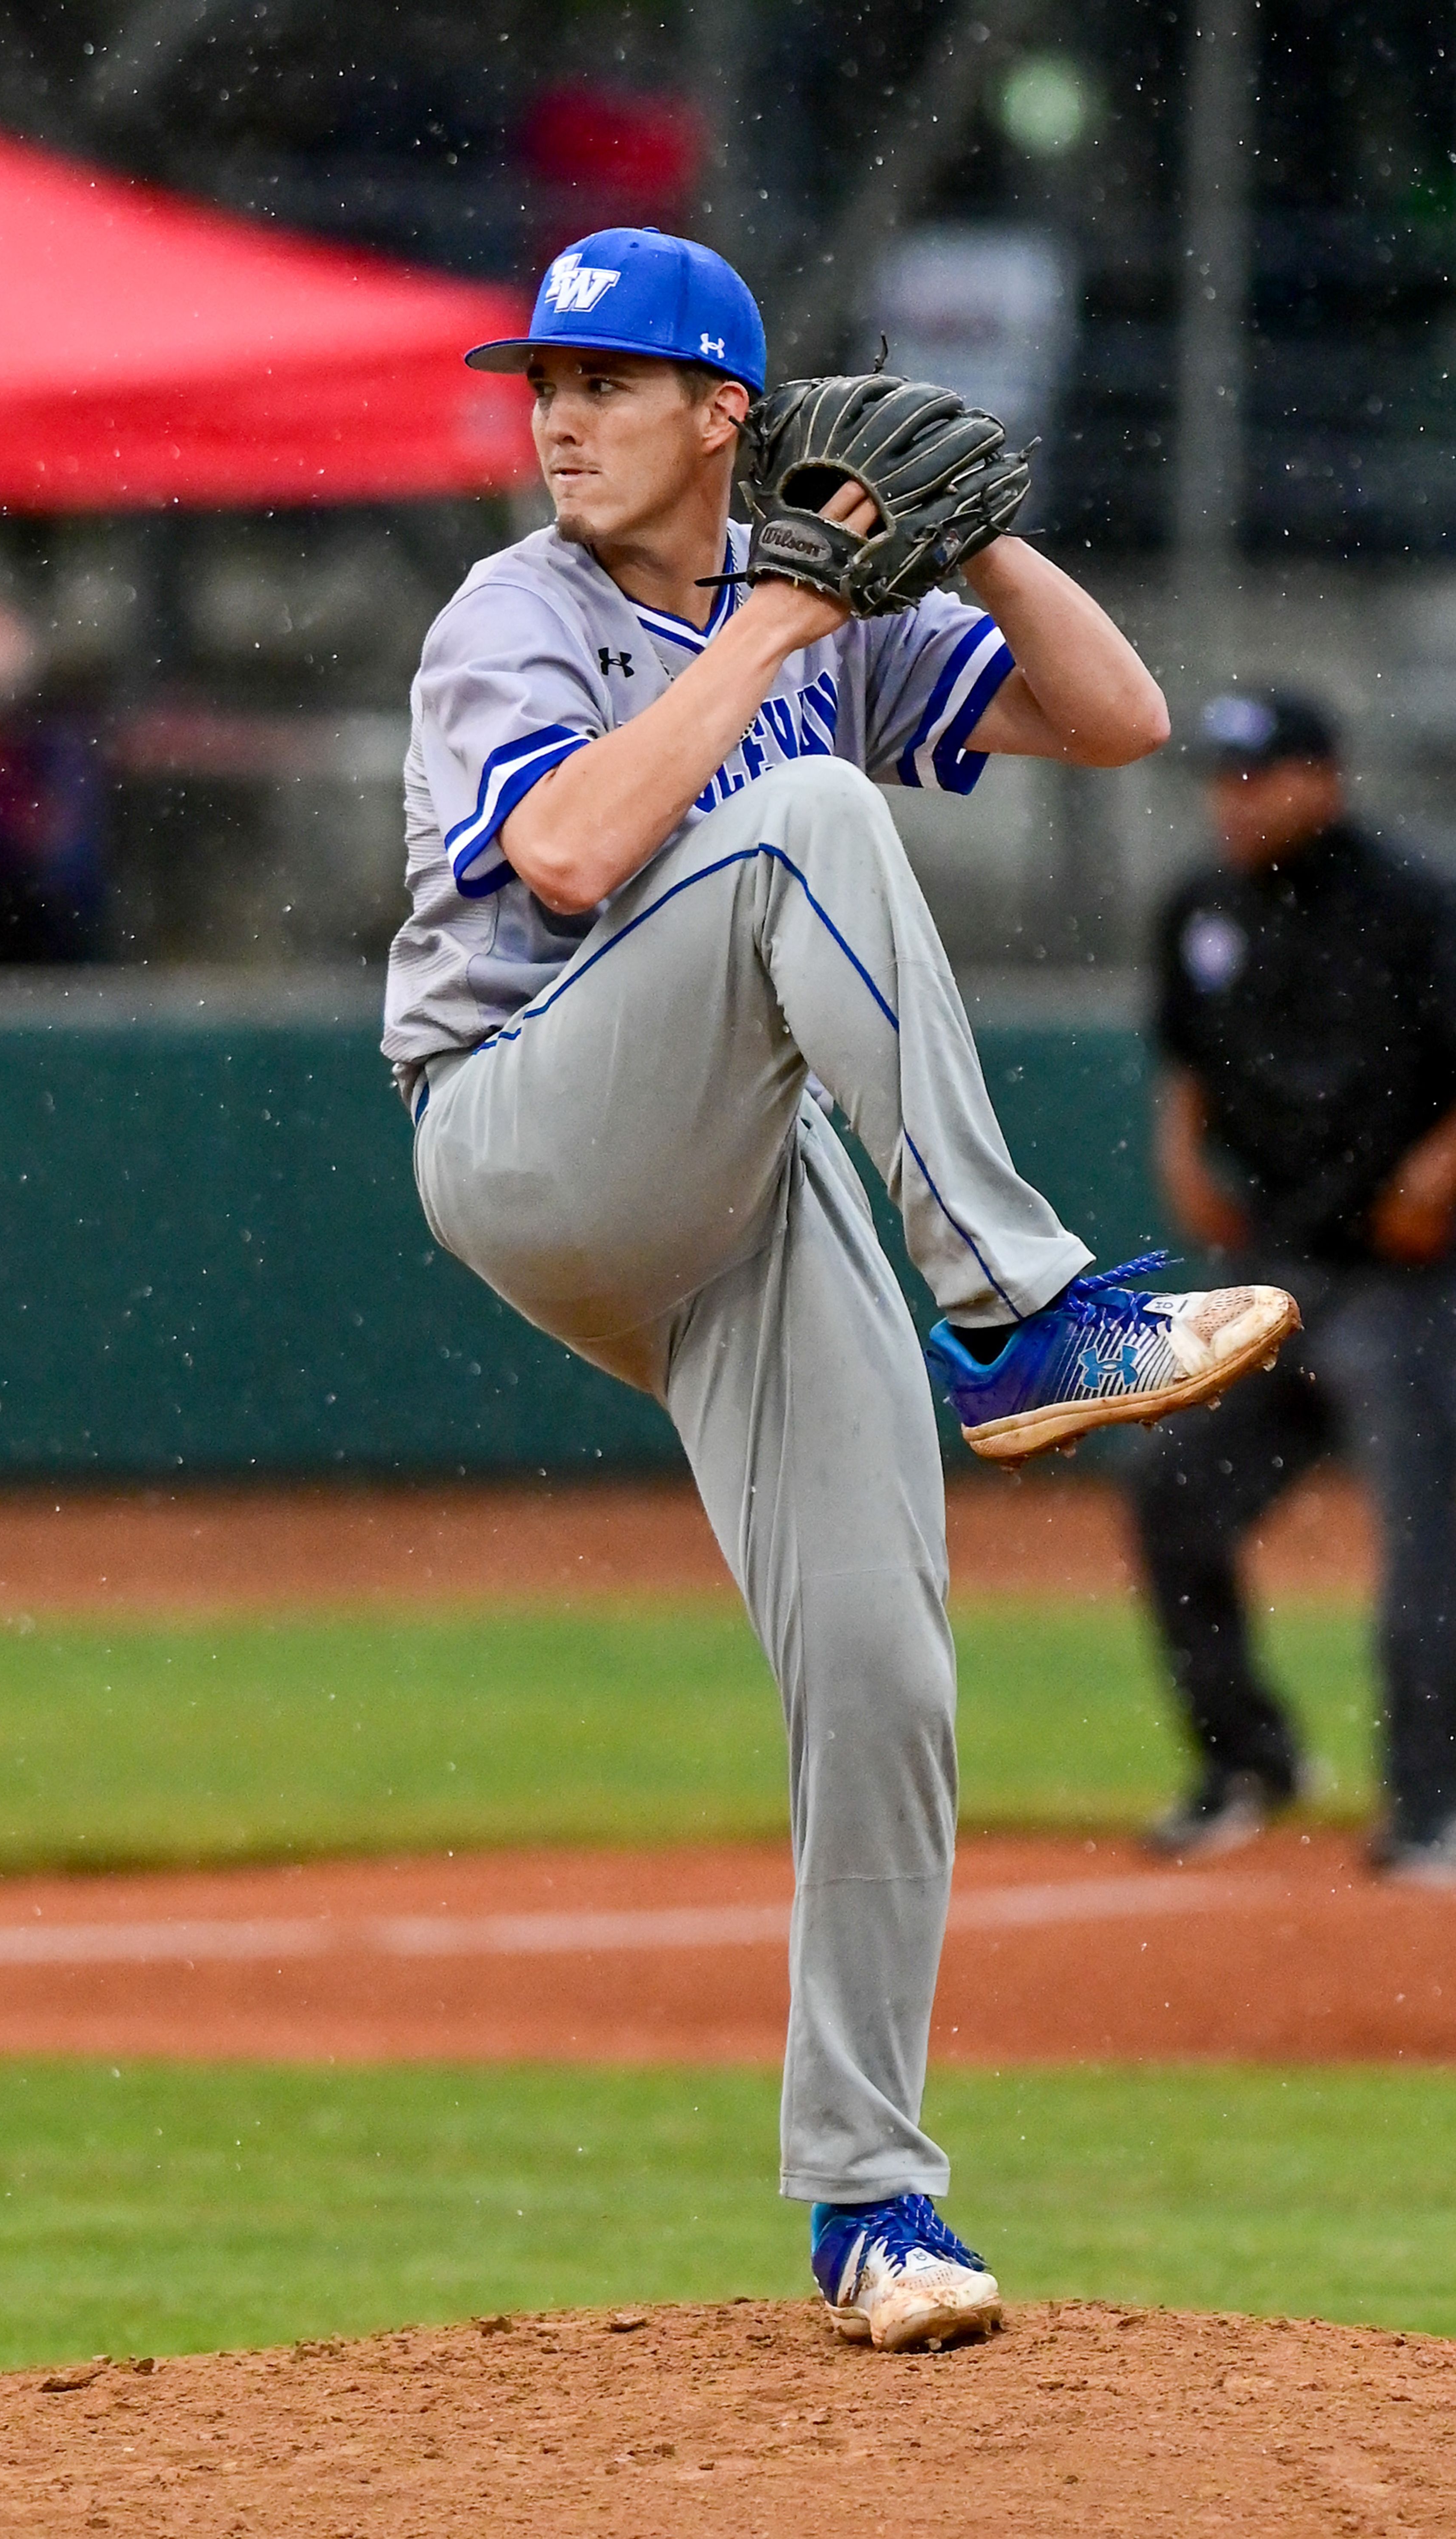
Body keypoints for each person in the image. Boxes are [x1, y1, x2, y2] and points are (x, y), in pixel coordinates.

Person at [381, 227, 1295, 2352]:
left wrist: (975, 540)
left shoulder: (799, 607)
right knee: (800, 812)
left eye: (608, 380)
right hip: (525, 1124)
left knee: (886, 1667)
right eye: (545, 379)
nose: (558, 414)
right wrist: (795, 605)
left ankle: (874, 2199)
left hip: (738, 1187)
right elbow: (578, 860)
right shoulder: (511, 614)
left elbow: (1122, 713)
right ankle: (1024, 1304)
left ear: (728, 414)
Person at [1136, 689, 1456, 1881]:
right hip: (1271, 1270)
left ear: (1325, 777)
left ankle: (1433, 1810)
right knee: (1177, 1499)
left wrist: (1438, 1168)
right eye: (1222, 777)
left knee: (1427, 1548)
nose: (1236, 799)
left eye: (1258, 776)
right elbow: (1182, 1058)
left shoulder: (1414, 902)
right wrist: (1180, 1153)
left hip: (1403, 1279)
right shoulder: (1203, 905)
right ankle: (1248, 1762)